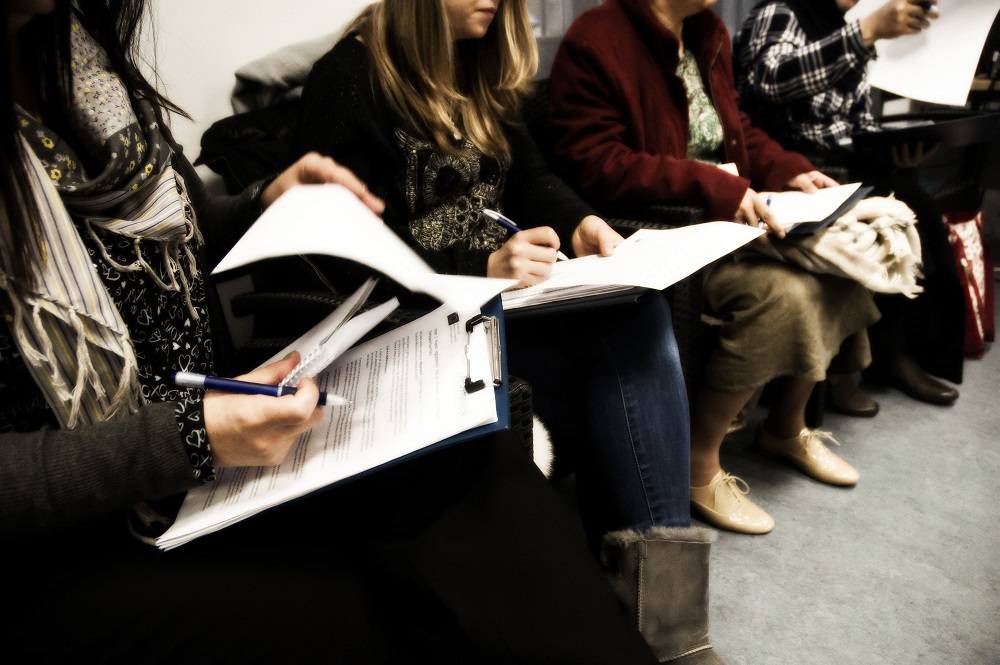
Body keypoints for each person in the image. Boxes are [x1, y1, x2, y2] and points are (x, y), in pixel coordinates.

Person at [0, 1, 678, 662]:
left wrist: (262, 203)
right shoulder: (354, 76)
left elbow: (182, 234)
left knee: (477, 457)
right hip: (96, 519)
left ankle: (657, 621)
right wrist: (187, 434)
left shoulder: (81, 56)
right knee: (382, 603)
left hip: (203, 435)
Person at [291, 1, 724, 662]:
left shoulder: (475, 61)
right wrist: (479, 265)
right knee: (614, 367)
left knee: (638, 314)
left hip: (507, 313)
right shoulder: (350, 79)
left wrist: (580, 222)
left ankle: (668, 625)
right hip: (421, 332)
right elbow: (340, 257)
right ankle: (641, 617)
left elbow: (529, 177)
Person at [548, 0, 881, 536]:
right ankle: (698, 461)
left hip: (728, 221)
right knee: (786, 296)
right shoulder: (596, 38)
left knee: (839, 273)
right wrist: (716, 187)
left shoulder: (706, 31)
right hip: (670, 233)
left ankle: (784, 427)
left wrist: (788, 170)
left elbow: (735, 130)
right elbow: (597, 163)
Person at [732, 0, 962, 408]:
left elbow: (855, 121)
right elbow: (772, 81)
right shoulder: (783, 12)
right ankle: (873, 361)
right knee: (895, 209)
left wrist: (894, 149)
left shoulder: (844, 24)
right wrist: (864, 33)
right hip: (792, 164)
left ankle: (897, 352)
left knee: (918, 203)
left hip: (843, 162)